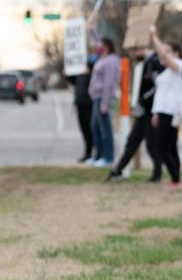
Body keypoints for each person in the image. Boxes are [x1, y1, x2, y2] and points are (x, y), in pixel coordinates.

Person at [106, 48, 164, 182]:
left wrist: (143, 100)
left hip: (151, 111)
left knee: (152, 145)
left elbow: (155, 87)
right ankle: (118, 170)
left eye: (136, 49)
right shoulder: (142, 64)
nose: (133, 53)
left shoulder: (154, 62)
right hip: (142, 112)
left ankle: (157, 174)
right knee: (132, 141)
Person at [149, 25, 182, 189]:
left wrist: (154, 36)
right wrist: (155, 112)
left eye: (167, 51)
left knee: (163, 148)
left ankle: (176, 179)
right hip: (163, 111)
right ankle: (176, 178)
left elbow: (164, 57)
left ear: (176, 53)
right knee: (171, 147)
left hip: (172, 112)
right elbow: (161, 95)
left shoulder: (179, 65)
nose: (162, 54)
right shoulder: (166, 72)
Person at [87, 37, 121, 168]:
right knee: (95, 128)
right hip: (96, 97)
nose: (97, 47)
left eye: (100, 45)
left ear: (106, 46)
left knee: (105, 129)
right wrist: (91, 29)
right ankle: (99, 156)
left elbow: (109, 83)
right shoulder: (102, 59)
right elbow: (94, 39)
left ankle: (108, 158)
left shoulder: (111, 61)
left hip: (103, 98)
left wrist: (105, 103)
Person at [70, 56, 95, 163]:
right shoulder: (80, 75)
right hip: (79, 104)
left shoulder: (92, 75)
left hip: (89, 105)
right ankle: (87, 153)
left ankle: (93, 153)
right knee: (84, 130)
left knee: (91, 130)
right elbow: (73, 81)